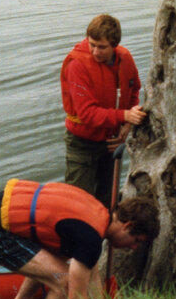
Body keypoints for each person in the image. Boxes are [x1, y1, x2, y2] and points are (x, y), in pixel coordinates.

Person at [0, 178, 160, 299]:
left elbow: (91, 276)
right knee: (63, 279)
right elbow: (75, 295)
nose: (134, 247)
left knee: (57, 267)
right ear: (127, 227)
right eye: (136, 240)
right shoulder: (90, 237)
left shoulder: (98, 214)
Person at [60, 14, 145, 207]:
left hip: (111, 142)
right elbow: (87, 114)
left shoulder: (125, 58)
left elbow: (133, 90)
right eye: (92, 45)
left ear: (114, 44)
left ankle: (104, 234)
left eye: (102, 47)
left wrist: (127, 124)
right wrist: (124, 115)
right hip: (82, 144)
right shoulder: (77, 65)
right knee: (77, 202)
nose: (96, 51)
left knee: (107, 199)